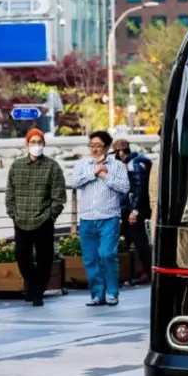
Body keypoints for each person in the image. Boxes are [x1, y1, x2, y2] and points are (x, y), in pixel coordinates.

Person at [4, 129, 66, 307]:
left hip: (43, 220)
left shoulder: (52, 167)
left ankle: (37, 291)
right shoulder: (16, 166)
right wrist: (12, 213)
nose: (36, 145)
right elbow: (10, 192)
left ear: (44, 144)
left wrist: (51, 216)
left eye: (39, 142)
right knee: (22, 256)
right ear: (27, 144)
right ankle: (32, 284)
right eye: (33, 142)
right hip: (21, 219)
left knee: (44, 258)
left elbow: (59, 196)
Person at [72, 131, 130, 306]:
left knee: (107, 254)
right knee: (90, 258)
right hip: (87, 218)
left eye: (98, 145)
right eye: (92, 145)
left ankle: (112, 292)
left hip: (109, 217)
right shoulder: (83, 165)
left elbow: (124, 187)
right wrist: (94, 173)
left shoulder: (117, 166)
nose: (94, 149)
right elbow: (74, 183)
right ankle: (97, 294)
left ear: (106, 146)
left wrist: (105, 175)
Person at [113, 138, 152, 283]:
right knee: (132, 239)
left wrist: (134, 210)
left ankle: (147, 272)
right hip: (131, 208)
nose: (116, 157)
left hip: (134, 209)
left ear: (121, 152)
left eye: (117, 154)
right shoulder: (137, 162)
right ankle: (140, 271)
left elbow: (139, 188)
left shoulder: (133, 165)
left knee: (139, 240)